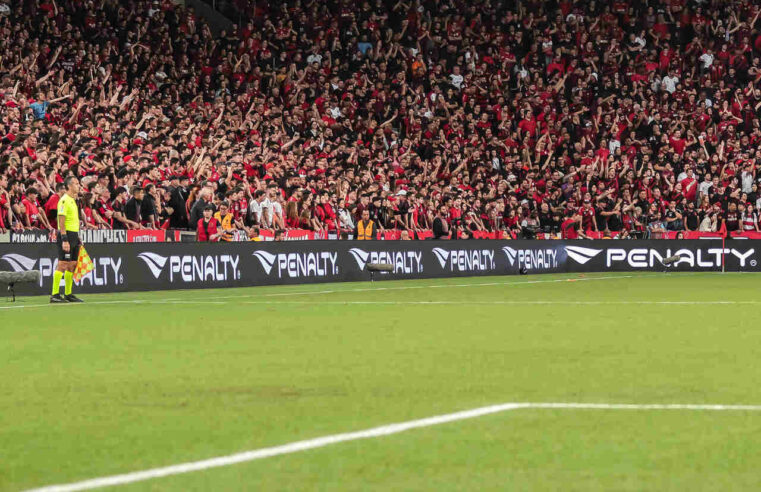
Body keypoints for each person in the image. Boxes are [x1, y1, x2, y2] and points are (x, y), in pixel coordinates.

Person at [51, 176, 83, 303]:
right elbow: (62, 221)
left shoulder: (73, 200)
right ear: (69, 186)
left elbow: (73, 220)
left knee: (72, 264)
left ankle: (68, 293)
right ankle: (54, 294)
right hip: (66, 235)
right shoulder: (64, 200)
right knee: (63, 264)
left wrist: (77, 236)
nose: (78, 185)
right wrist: (64, 239)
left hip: (73, 234)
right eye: (76, 183)